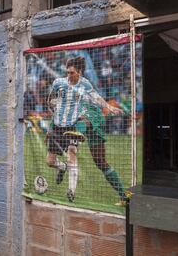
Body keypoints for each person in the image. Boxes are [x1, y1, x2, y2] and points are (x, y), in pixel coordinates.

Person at [46, 56, 122, 202]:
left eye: (72, 72)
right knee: (49, 161)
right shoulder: (58, 83)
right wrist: (53, 109)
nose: (68, 75)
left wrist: (109, 107)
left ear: (79, 72)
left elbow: (97, 99)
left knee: (77, 155)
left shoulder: (85, 86)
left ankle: (71, 192)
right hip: (60, 125)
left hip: (82, 124)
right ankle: (63, 167)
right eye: (67, 72)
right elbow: (49, 100)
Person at [77, 103, 127, 205]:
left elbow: (94, 101)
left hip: (93, 119)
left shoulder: (85, 91)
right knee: (100, 163)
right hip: (90, 124)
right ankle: (124, 196)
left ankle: (124, 196)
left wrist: (109, 107)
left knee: (101, 162)